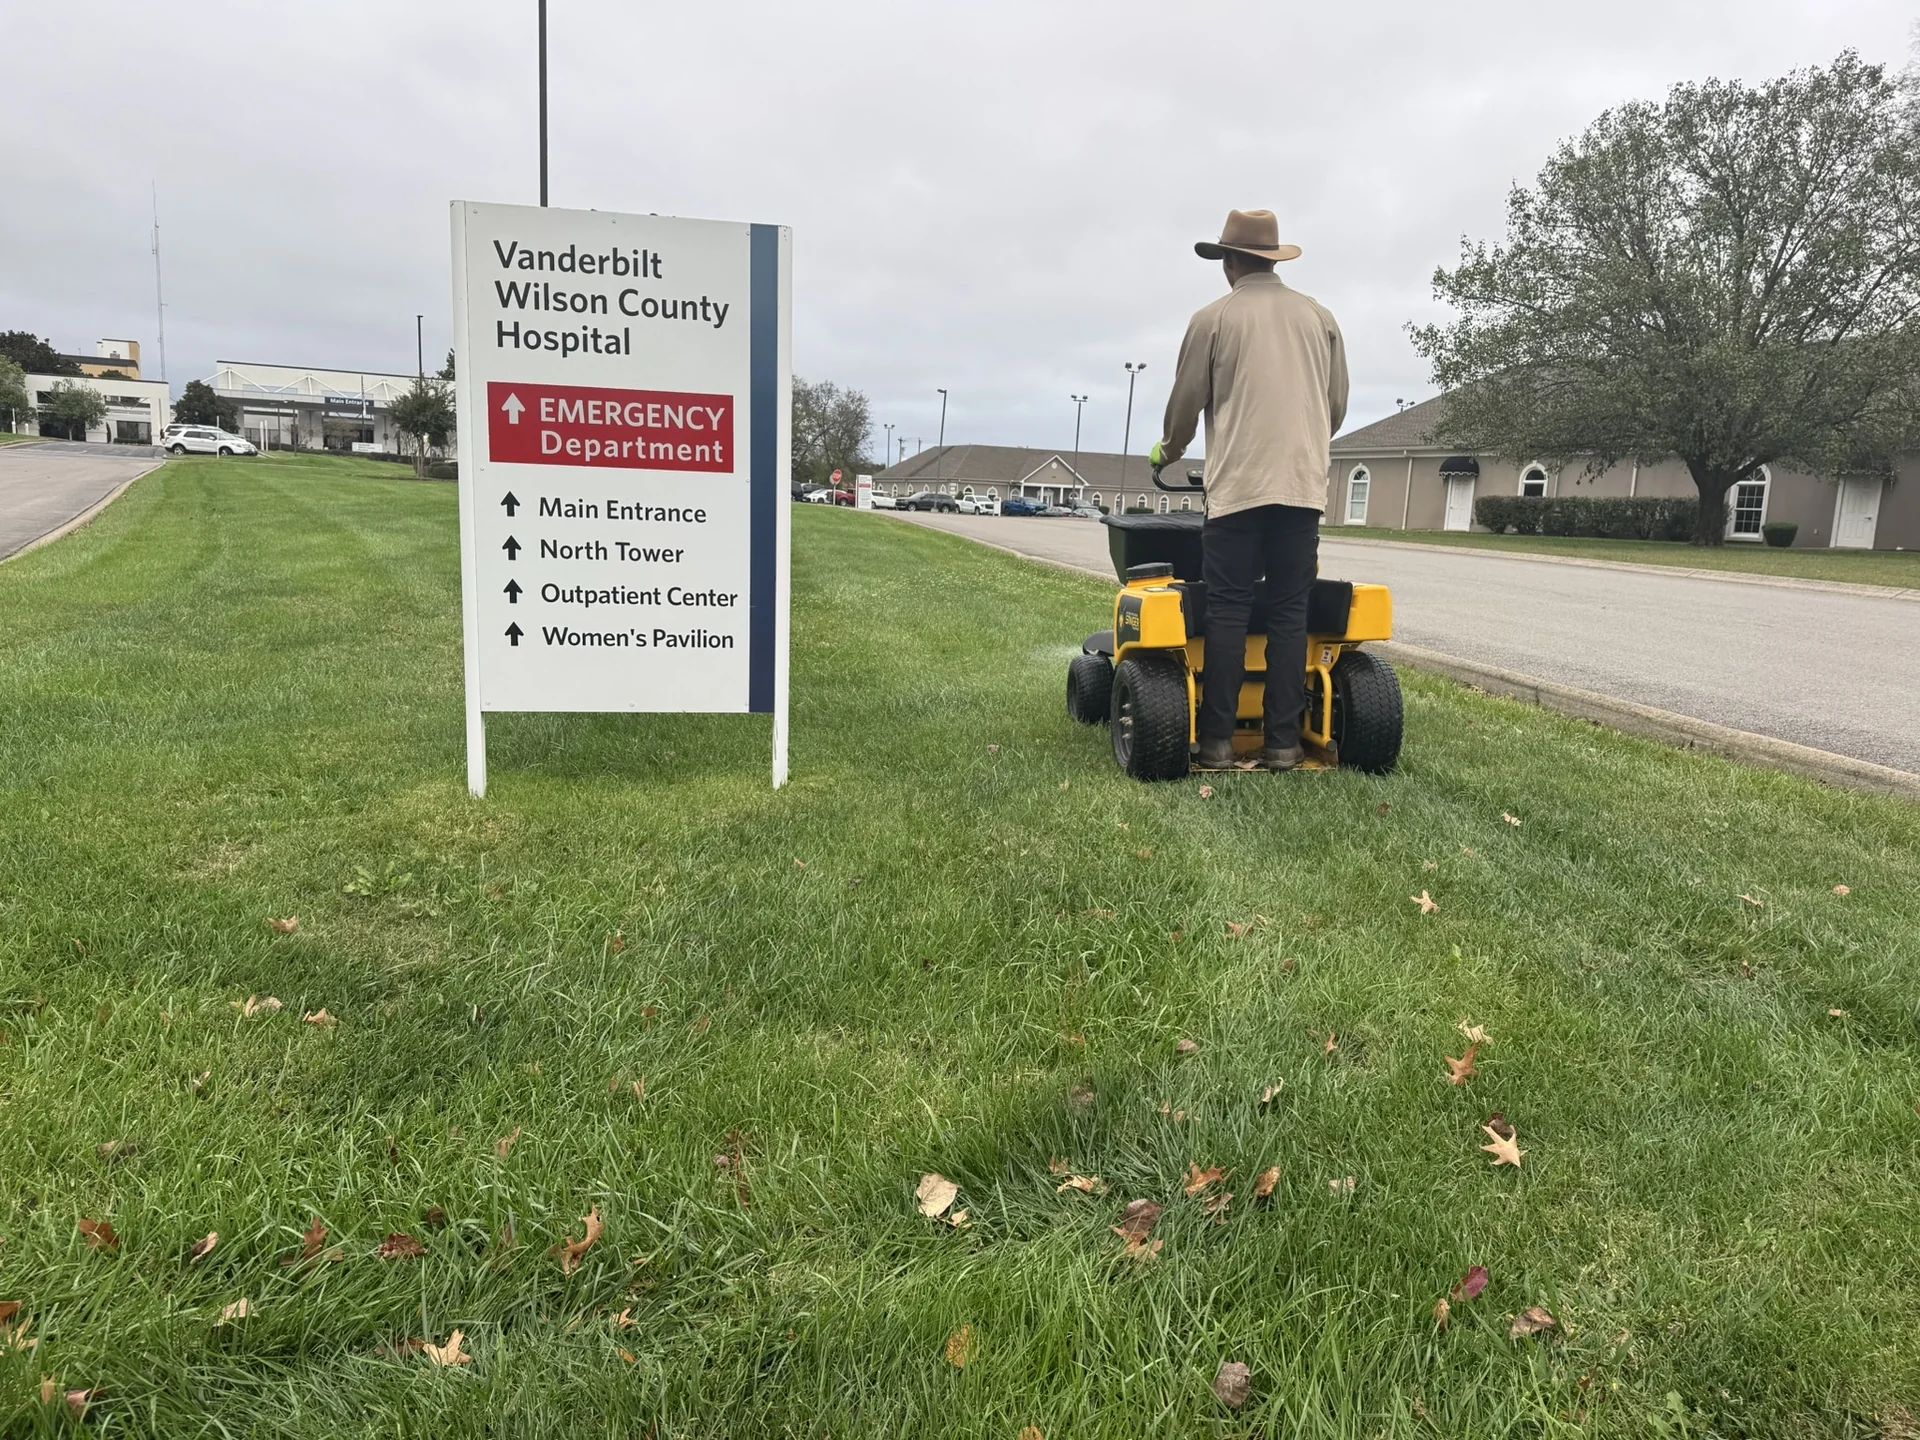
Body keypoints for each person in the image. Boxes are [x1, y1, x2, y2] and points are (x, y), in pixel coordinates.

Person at [1149, 208, 1348, 771]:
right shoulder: (1320, 318)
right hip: (1302, 487)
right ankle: (1283, 744)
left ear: (1231, 261)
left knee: (1229, 607)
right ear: (1272, 260)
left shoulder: (1213, 319)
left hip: (1238, 488)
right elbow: (1334, 408)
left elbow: (1186, 403)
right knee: (1290, 609)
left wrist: (1168, 450)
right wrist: (1304, 448)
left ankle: (1215, 743)